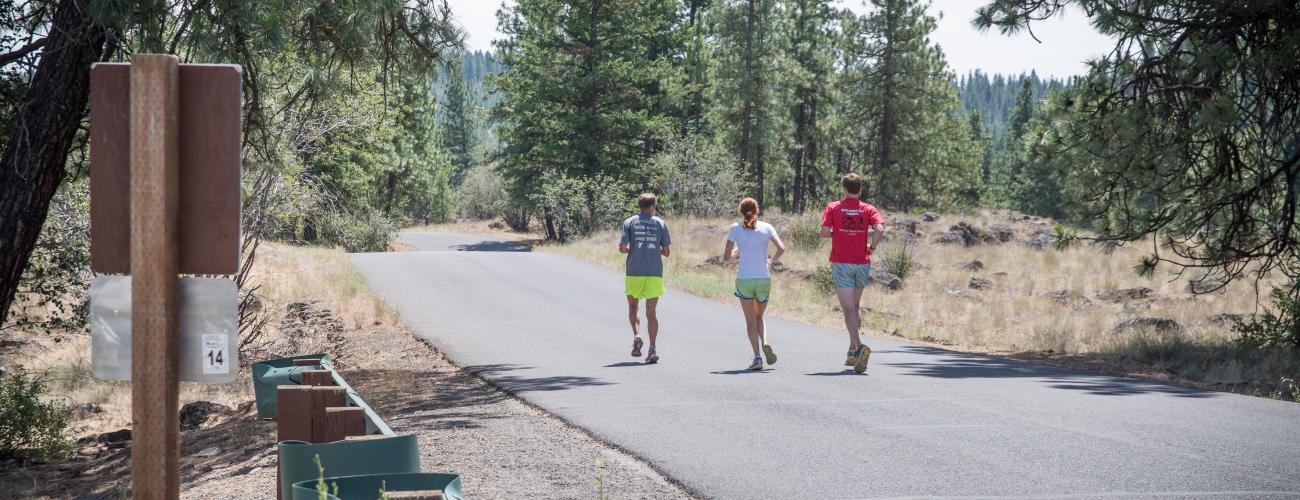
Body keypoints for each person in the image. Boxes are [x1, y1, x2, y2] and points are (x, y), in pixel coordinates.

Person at [821, 173, 886, 374]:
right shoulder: (868, 209)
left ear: (844, 189)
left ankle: (859, 347)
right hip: (862, 263)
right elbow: (880, 229)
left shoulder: (834, 207)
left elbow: (823, 232)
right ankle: (851, 350)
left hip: (842, 263)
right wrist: (872, 248)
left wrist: (837, 233)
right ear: (860, 189)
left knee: (848, 308)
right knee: (855, 306)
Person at [723, 197, 786, 371]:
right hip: (763, 279)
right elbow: (781, 248)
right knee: (760, 317)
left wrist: (737, 251)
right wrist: (771, 261)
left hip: (745, 279)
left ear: (741, 211)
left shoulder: (735, 229)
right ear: (757, 210)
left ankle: (758, 357)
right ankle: (765, 341)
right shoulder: (767, 227)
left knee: (750, 321)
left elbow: (727, 258)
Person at [620, 193, 671, 364]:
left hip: (634, 271)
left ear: (640, 205)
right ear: (653, 206)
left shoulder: (629, 222)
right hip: (654, 272)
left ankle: (637, 335)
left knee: (633, 306)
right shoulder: (661, 223)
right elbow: (666, 252)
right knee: (652, 313)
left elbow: (622, 248)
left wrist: (634, 249)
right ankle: (652, 349)